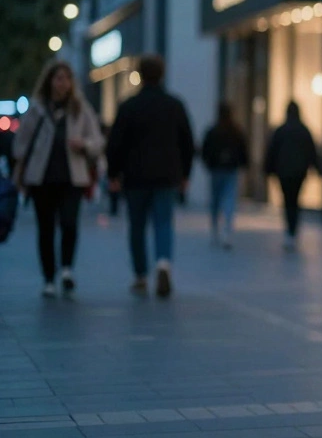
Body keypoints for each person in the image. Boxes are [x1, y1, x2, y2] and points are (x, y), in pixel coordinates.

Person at [11, 61, 104, 298]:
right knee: (46, 228)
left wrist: (83, 144)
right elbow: (21, 143)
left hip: (73, 178)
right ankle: (49, 278)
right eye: (57, 78)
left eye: (65, 78)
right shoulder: (38, 108)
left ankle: (66, 269)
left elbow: (97, 141)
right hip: (41, 178)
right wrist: (20, 168)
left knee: (70, 224)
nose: (62, 83)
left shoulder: (80, 108)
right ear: (49, 81)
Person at [107, 55, 195, 298]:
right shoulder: (174, 105)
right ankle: (163, 263)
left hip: (135, 176)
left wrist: (113, 173)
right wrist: (185, 174)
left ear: (140, 75)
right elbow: (187, 142)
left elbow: (115, 143)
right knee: (164, 221)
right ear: (162, 74)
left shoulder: (128, 106)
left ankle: (140, 274)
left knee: (137, 226)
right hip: (167, 175)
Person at [264, 102, 320, 251]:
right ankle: (293, 230)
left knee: (288, 200)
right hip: (299, 172)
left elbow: (272, 151)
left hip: (284, 172)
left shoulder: (281, 130)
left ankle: (290, 231)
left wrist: (268, 170)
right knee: (295, 201)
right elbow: (312, 151)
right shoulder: (303, 130)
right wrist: (318, 168)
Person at [201, 102, 248, 249]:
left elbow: (205, 150)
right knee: (229, 200)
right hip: (230, 169)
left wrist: (209, 164)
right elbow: (243, 150)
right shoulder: (236, 131)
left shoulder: (213, 131)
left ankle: (215, 230)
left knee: (216, 201)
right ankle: (227, 230)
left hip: (217, 170)